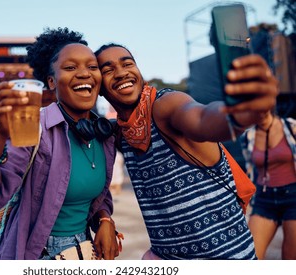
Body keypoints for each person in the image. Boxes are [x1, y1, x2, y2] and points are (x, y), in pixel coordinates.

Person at [95, 43, 278, 260]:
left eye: (128, 63)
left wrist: (240, 112)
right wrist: (104, 217)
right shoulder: (122, 134)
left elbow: (202, 117)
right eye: (108, 70)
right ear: (100, 88)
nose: (121, 72)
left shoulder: (165, 105)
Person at [0, 27, 120, 260]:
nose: (84, 73)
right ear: (51, 81)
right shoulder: (35, 129)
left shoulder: (104, 134)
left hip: (86, 252)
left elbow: (98, 193)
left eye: (92, 66)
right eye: (70, 67)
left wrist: (104, 218)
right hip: (37, 254)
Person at [240, 111, 296, 259]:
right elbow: (250, 170)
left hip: (293, 197)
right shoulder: (248, 136)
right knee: (248, 255)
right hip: (264, 199)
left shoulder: (291, 127)